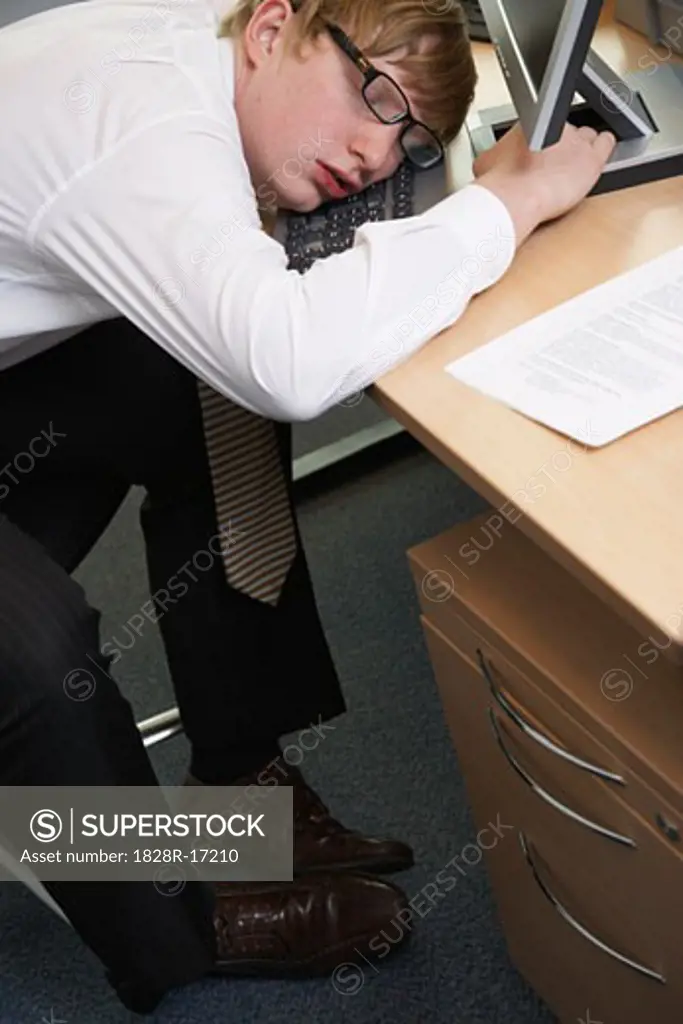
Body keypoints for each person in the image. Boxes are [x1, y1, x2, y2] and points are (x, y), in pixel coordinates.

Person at [0, 0, 616, 1014]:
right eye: (370, 99)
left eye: (407, 137)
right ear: (271, 30)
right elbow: (290, 360)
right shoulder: (141, 126)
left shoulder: (212, 43)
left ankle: (241, 786)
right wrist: (504, 208)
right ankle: (178, 911)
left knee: (201, 377)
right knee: (31, 651)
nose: (379, 154)